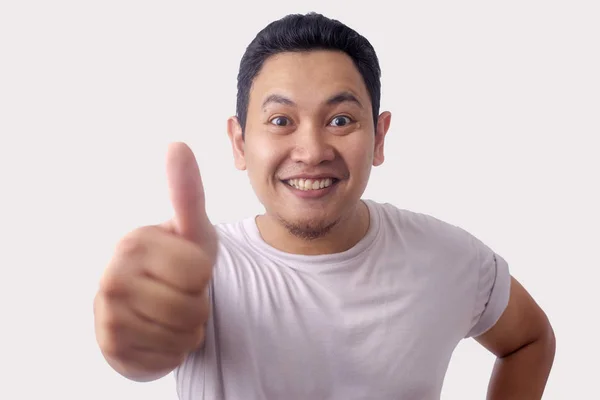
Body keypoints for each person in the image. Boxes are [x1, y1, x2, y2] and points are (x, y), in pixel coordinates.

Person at [93, 12, 556, 400]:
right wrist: (133, 334)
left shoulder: (449, 257)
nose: (311, 150)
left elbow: (529, 340)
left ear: (378, 137)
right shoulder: (202, 272)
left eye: (340, 119)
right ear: (239, 142)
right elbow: (137, 350)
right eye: (280, 120)